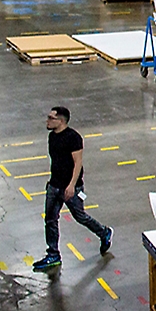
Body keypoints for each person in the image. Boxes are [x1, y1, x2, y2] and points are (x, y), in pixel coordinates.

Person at [32, 107, 113, 271]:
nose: (47, 121)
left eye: (50, 118)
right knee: (50, 219)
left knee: (80, 216)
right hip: (54, 186)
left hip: (70, 188)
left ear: (60, 121)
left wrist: (71, 185)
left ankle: (104, 232)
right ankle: (53, 254)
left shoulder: (73, 138)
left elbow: (78, 163)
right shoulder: (52, 137)